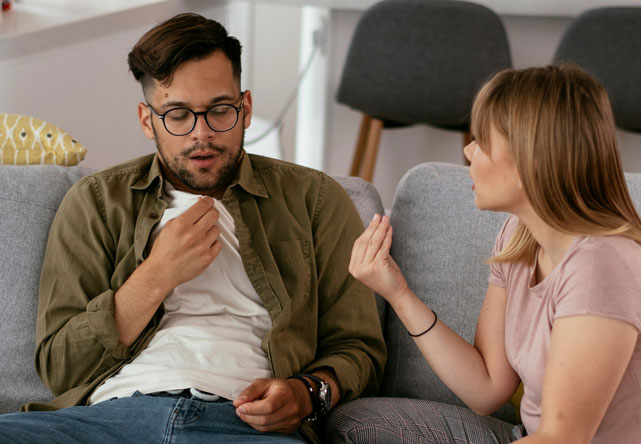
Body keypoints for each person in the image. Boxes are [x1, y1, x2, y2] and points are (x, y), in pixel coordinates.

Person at [0, 13, 385, 444]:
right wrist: (155, 275)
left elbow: (360, 347)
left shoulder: (313, 199)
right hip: (111, 417)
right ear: (148, 120)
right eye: (178, 115)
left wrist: (308, 392)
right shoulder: (96, 202)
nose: (202, 134)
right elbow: (60, 367)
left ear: (246, 108)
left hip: (241, 424)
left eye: (220, 110)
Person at [349, 65, 641, 444]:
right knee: (356, 424)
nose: (468, 149)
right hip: (530, 436)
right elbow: (486, 389)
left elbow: (562, 439)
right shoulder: (519, 236)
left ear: (532, 159)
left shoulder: (602, 267)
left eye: (482, 140)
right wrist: (397, 293)